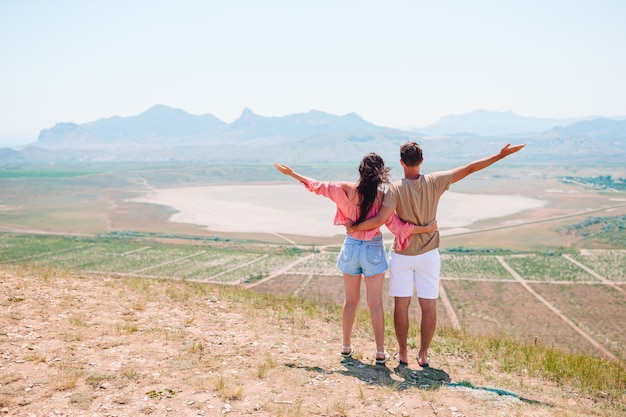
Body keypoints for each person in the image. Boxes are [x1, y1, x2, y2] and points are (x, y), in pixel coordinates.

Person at [347, 142, 525, 368]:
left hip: (402, 254)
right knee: (428, 305)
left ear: (401, 162)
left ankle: (402, 353)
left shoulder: (395, 189)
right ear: (422, 161)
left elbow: (380, 220)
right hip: (430, 254)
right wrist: (500, 155)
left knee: (401, 305)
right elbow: (470, 168)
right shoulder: (435, 181)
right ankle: (423, 354)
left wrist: (355, 227)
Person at [273, 153, 438, 365]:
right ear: (381, 173)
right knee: (375, 304)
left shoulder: (342, 189)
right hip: (373, 250)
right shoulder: (382, 197)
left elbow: (316, 185)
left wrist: (292, 173)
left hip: (351, 248)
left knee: (350, 301)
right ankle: (380, 352)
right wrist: (426, 228)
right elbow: (398, 227)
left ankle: (346, 346)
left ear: (360, 170)